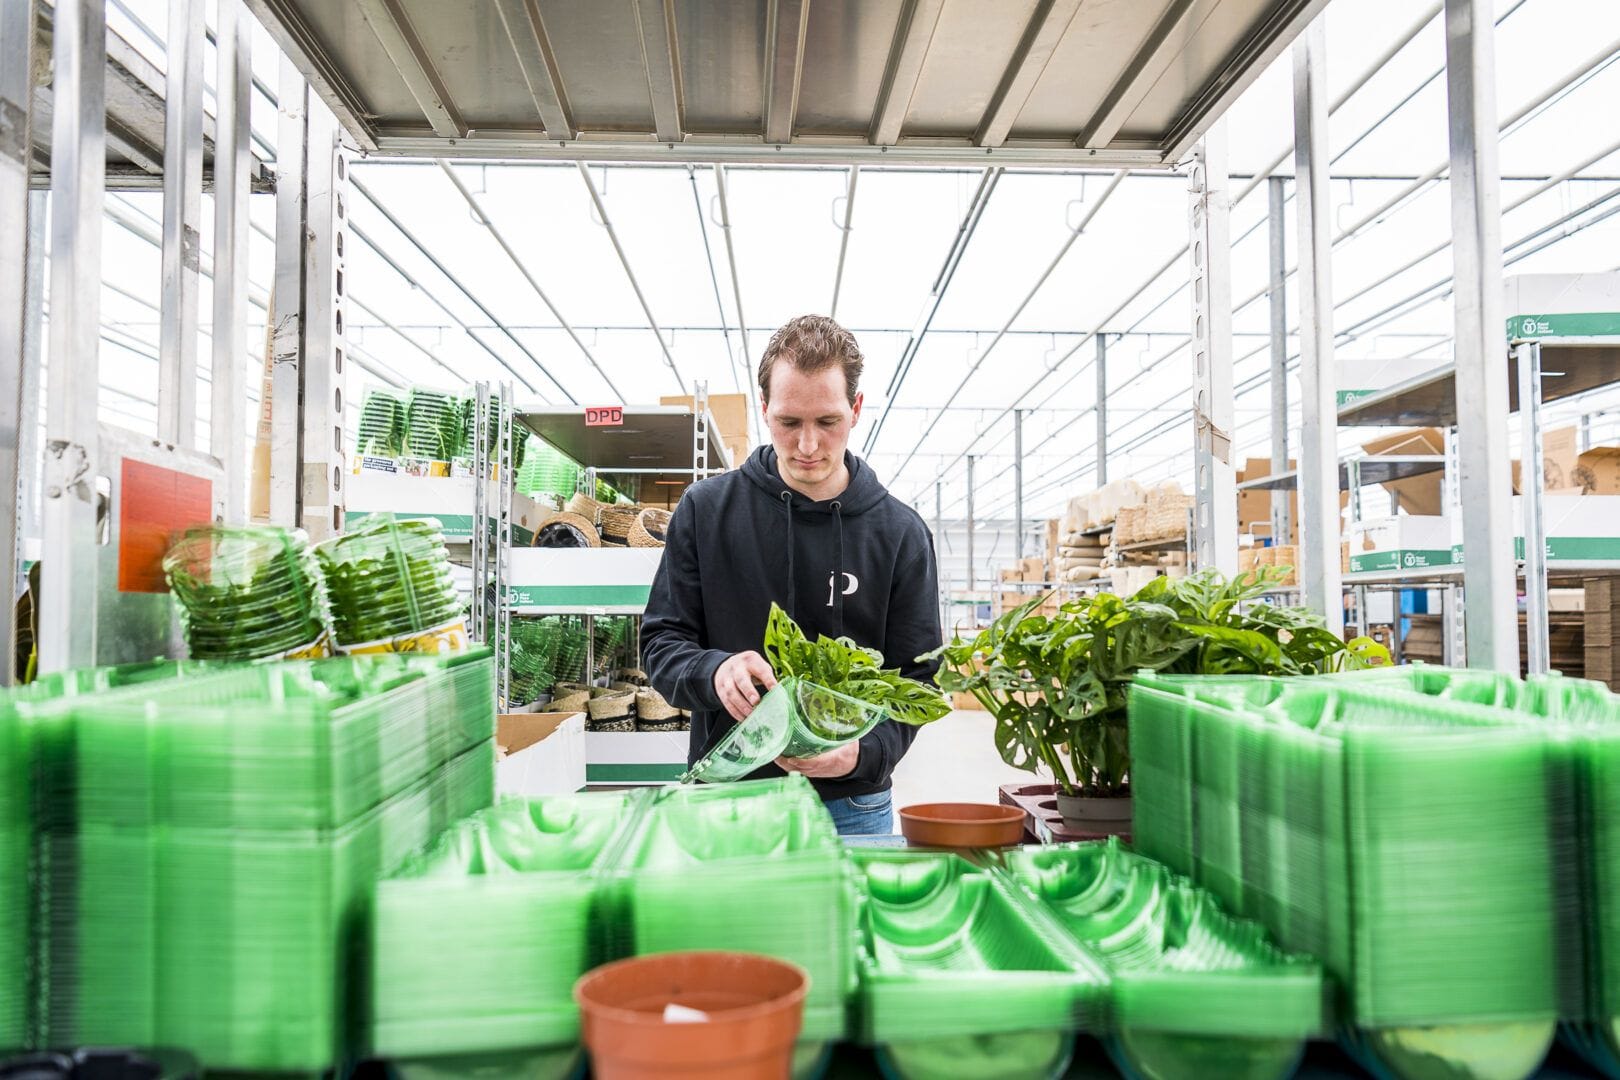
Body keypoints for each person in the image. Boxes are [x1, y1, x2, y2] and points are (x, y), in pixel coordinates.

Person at [642, 315, 943, 835]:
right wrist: (713, 672)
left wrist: (862, 754)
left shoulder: (900, 534)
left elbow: (917, 680)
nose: (807, 445)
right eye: (788, 422)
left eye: (827, 422)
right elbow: (662, 643)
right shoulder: (706, 512)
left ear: (856, 409)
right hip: (728, 801)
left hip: (851, 809)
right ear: (764, 410)